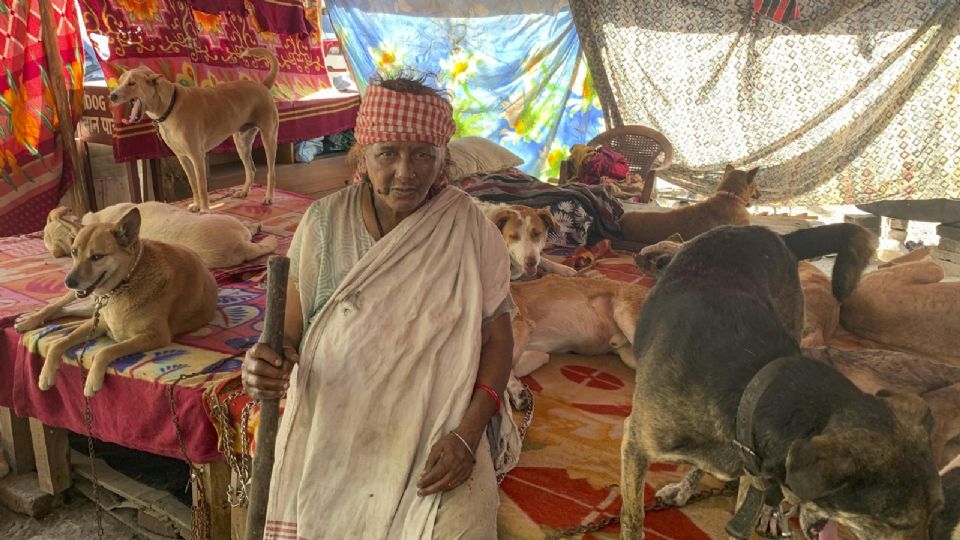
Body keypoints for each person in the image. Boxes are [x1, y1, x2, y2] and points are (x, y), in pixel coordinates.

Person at [241, 75, 521, 539]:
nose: (406, 172)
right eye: (387, 153)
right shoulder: (325, 222)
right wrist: (265, 365)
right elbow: (286, 336)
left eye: (423, 155)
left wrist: (468, 435)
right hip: (339, 419)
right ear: (362, 154)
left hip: (441, 426)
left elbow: (497, 335)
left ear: (443, 159)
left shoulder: (470, 228)